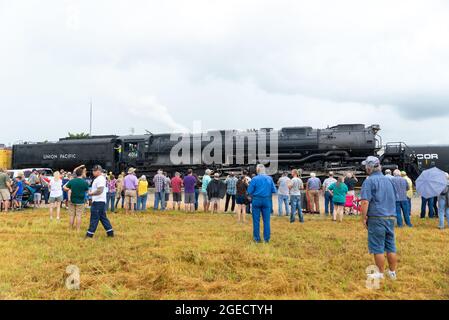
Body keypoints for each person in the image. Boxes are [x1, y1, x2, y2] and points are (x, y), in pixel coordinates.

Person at [360, 156, 398, 281]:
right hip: (391, 217)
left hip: (377, 217)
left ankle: (380, 273)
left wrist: (363, 217)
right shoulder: (390, 180)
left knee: (378, 247)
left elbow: (365, 202)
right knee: (391, 246)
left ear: (369, 168)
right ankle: (392, 273)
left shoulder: (369, 181)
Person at [247, 164, 277, 243]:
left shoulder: (254, 179)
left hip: (256, 200)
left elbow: (249, 191)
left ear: (257, 170)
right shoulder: (269, 178)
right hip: (266, 200)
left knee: (256, 221)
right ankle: (266, 239)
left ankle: (257, 239)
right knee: (266, 221)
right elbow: (274, 190)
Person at [86, 165, 114, 238]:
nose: (92, 172)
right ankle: (110, 232)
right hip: (100, 201)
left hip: (98, 201)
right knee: (103, 218)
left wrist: (90, 193)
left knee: (94, 218)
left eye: (93, 171)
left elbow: (100, 190)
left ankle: (89, 235)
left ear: (98, 171)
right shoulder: (100, 178)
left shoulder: (100, 179)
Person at [64, 165, 89, 232]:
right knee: (79, 216)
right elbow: (87, 191)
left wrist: (69, 189)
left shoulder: (72, 181)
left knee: (71, 215)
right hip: (80, 201)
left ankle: (70, 229)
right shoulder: (84, 182)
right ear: (81, 173)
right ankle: (78, 230)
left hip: (72, 200)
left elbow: (65, 187)